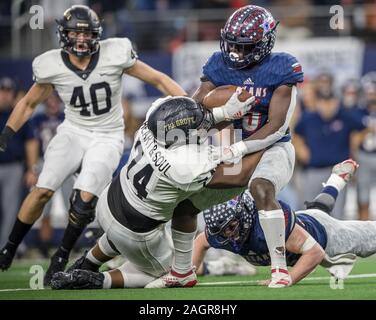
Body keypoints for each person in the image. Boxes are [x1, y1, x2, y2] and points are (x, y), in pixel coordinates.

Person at [0, 5, 186, 286]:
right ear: (64, 34)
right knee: (42, 190)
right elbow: (27, 103)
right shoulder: (50, 64)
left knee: (83, 200)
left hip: (107, 134)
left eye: (86, 33)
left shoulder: (115, 52)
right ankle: (8, 249)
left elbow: (158, 79)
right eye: (75, 32)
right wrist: (5, 135)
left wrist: (187, 103)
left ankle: (60, 257)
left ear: (97, 35)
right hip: (72, 131)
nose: (81, 39)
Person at [49, 94, 261, 290]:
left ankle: (88, 262)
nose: (202, 127)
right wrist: (265, 139)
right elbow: (238, 175)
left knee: (123, 232)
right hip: (134, 233)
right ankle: (101, 280)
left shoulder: (153, 119)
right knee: (169, 273)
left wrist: (224, 112)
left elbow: (183, 120)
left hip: (109, 202)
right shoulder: (184, 166)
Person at [192, 5, 304, 287]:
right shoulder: (218, 63)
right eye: (233, 46)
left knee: (261, 188)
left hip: (272, 146)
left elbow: (277, 125)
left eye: (245, 47)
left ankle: (279, 269)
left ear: (265, 43)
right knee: (190, 192)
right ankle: (181, 267)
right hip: (230, 142)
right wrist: (214, 115)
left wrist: (240, 149)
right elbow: (197, 104)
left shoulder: (281, 66)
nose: (236, 54)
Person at [192, 159, 376, 286]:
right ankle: (336, 180)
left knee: (370, 237)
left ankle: (336, 180)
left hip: (325, 235)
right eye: (221, 229)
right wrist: (188, 271)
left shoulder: (266, 228)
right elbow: (201, 241)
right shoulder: (222, 230)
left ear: (244, 215)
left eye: (231, 226)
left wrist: (287, 278)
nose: (227, 234)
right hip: (306, 217)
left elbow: (315, 253)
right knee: (319, 209)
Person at [293, 74, 370, 219]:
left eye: (330, 102)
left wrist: (355, 144)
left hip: (338, 173)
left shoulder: (345, 116)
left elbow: (365, 128)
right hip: (313, 171)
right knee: (306, 212)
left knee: (336, 214)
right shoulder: (309, 118)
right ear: (318, 102)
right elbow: (296, 135)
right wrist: (301, 151)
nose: (327, 106)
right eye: (323, 102)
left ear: (336, 102)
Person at [0, 77, 39, 248]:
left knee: (10, 210)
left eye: (9, 92)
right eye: (2, 91)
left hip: (13, 167)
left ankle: (4, 248)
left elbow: (31, 142)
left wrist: (32, 169)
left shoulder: (18, 114)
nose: (5, 95)